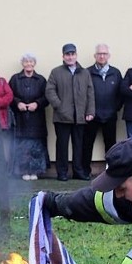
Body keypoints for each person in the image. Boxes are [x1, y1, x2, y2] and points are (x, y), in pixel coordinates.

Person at [45, 43, 95, 181]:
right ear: (63, 56)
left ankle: (78, 171)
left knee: (78, 146)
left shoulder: (84, 73)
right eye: (67, 54)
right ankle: (62, 172)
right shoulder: (56, 72)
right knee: (62, 146)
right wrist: (59, 106)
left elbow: (90, 92)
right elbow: (49, 91)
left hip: (80, 116)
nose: (70, 57)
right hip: (61, 117)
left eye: (72, 54)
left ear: (76, 55)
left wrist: (90, 111)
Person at [8, 53, 49, 180]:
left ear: (34, 64)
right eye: (26, 62)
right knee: (22, 146)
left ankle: (35, 171)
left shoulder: (41, 80)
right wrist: (17, 103)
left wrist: (37, 103)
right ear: (22, 64)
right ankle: (23, 170)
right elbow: (10, 95)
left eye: (31, 62)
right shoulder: (15, 79)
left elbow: (46, 97)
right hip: (20, 119)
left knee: (36, 146)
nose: (28, 64)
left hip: (36, 119)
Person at [84, 44, 122, 177]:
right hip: (92, 115)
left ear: (109, 56)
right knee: (87, 144)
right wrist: (88, 111)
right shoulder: (87, 72)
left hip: (110, 115)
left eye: (104, 54)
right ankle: (85, 171)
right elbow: (83, 93)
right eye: (99, 54)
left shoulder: (115, 73)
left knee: (111, 145)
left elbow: (120, 93)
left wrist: (115, 108)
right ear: (95, 56)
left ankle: (110, 171)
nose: (102, 56)